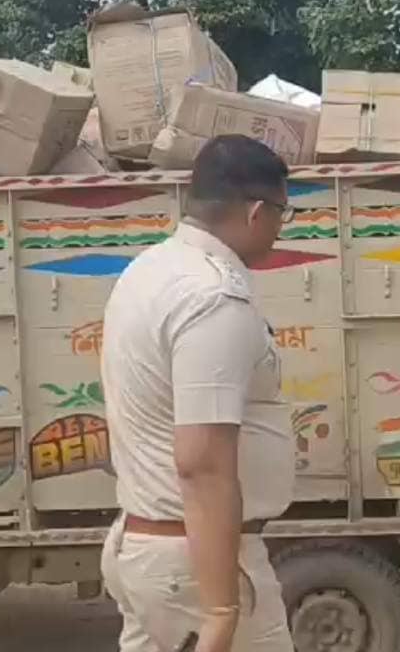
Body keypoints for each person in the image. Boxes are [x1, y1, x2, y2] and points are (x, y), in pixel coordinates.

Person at [99, 135, 299, 652]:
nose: (281, 228)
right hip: (196, 566)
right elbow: (203, 462)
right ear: (257, 212)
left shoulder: (147, 271)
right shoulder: (213, 298)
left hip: (149, 547)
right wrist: (221, 608)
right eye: (282, 213)